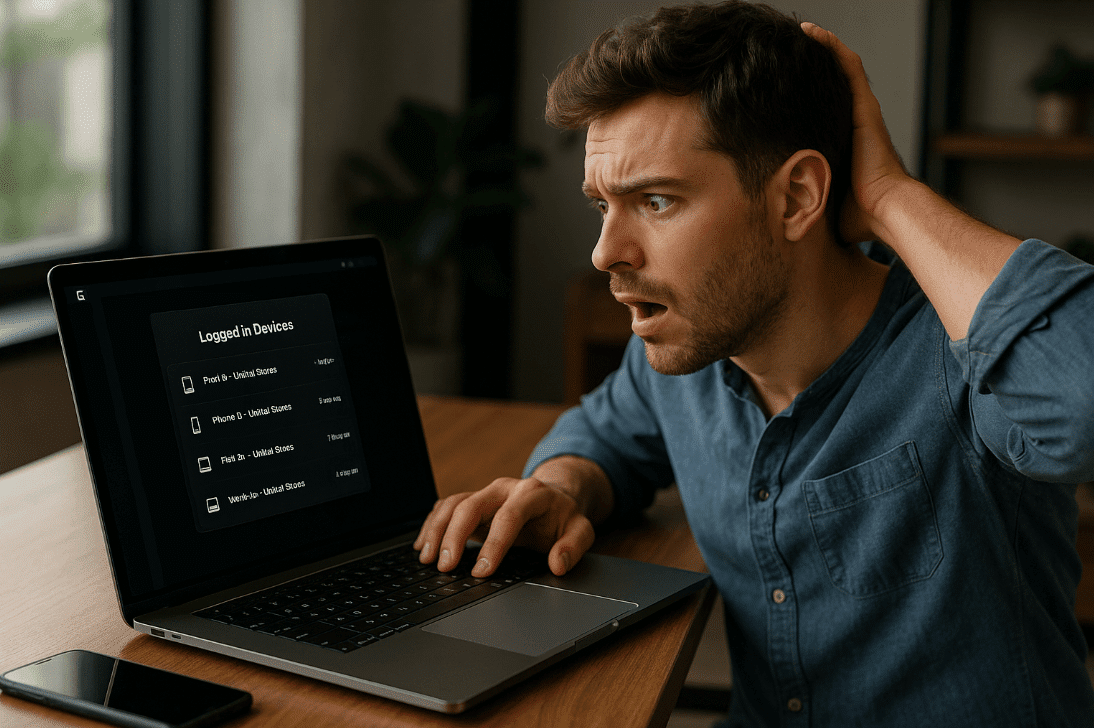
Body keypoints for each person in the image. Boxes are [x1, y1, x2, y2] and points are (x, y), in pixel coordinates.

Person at [414, 2, 1094, 725]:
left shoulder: (963, 358)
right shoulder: (691, 351)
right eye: (602, 206)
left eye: (656, 200)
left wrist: (888, 196)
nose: (606, 252)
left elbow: (1081, 404)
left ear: (796, 197)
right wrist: (562, 486)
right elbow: (604, 434)